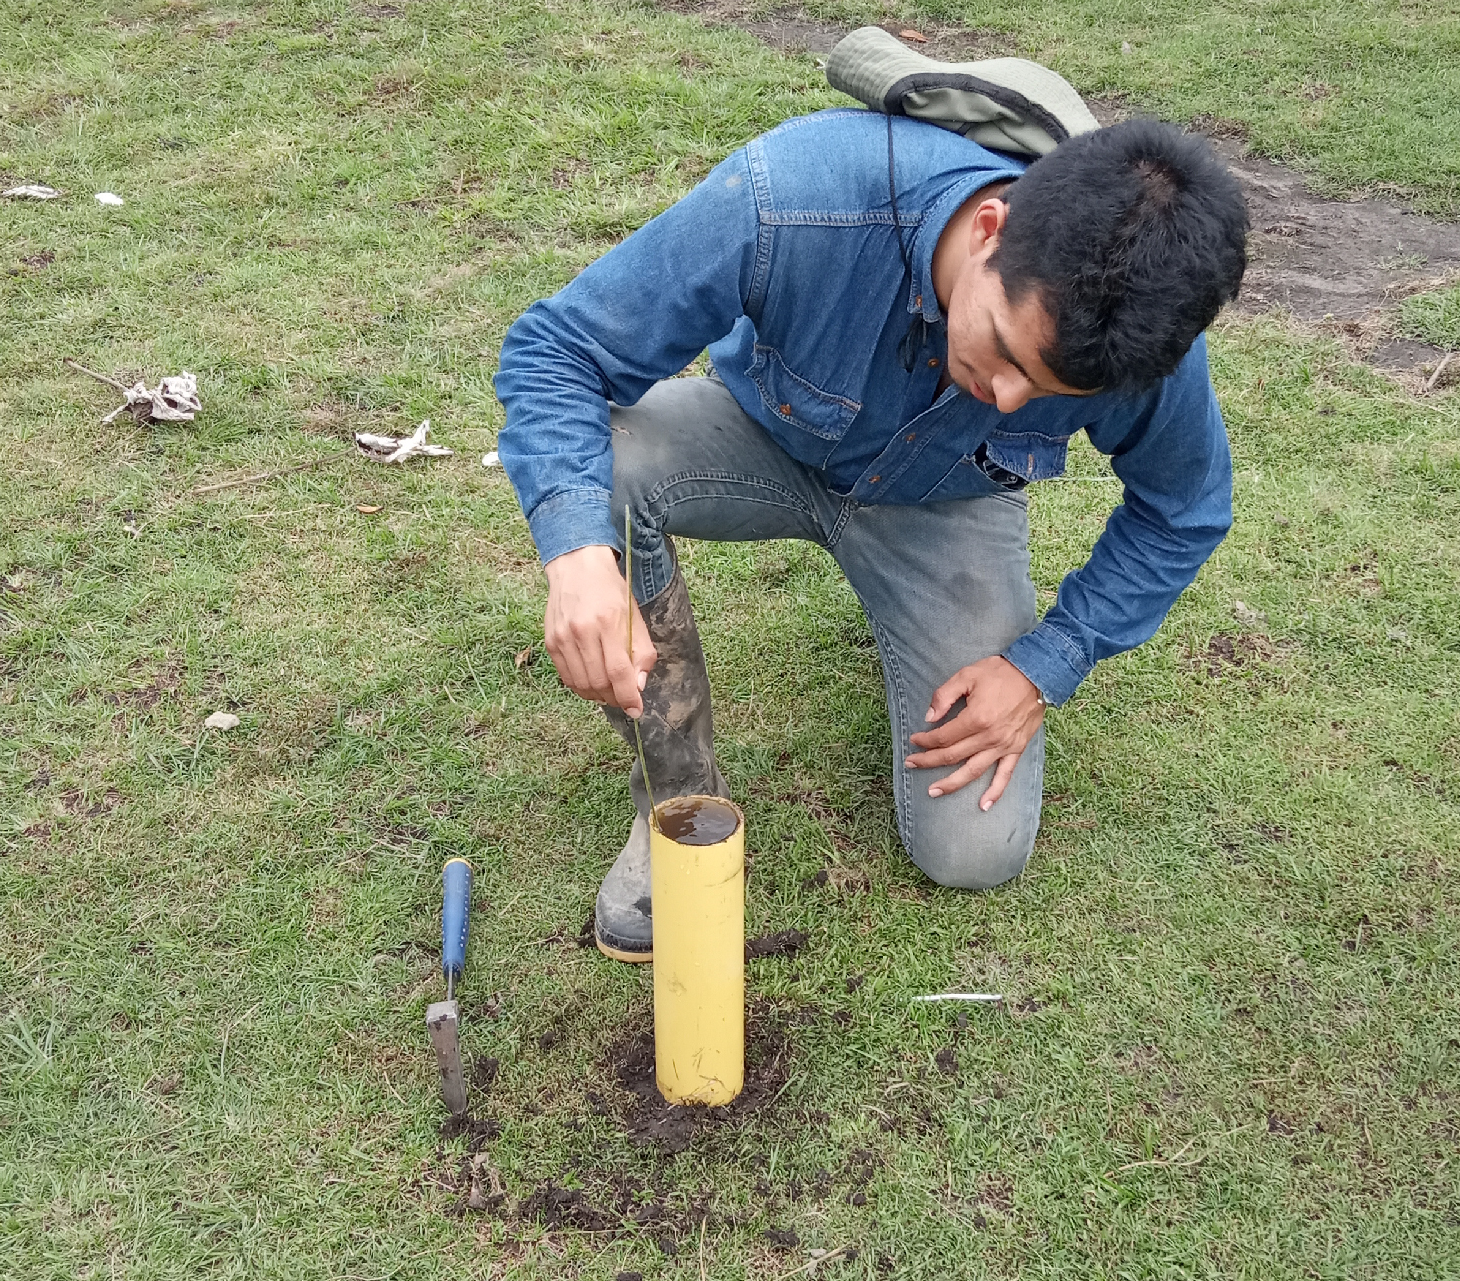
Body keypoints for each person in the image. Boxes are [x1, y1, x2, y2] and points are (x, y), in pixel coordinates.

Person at [493, 97, 1248, 962]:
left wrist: (1042, 666)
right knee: (611, 473)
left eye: (1046, 393)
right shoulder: (798, 197)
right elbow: (556, 350)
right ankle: (678, 801)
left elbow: (1184, 508)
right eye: (1005, 350)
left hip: (944, 505)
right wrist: (579, 554)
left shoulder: (1140, 343)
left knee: (974, 853)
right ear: (989, 231)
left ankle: (920, 630)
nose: (1006, 399)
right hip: (767, 439)